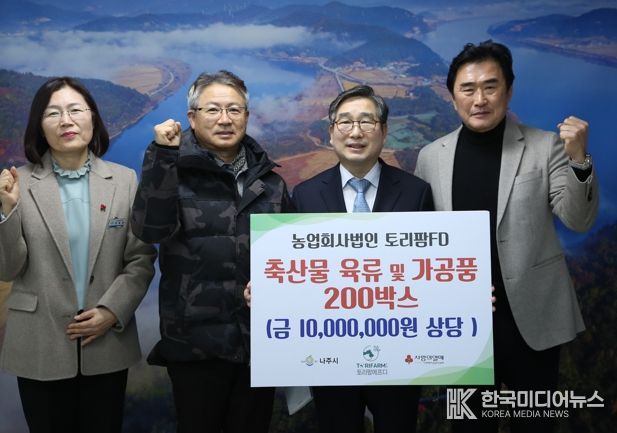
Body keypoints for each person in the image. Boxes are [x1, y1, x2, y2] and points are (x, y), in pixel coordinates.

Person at [414, 40, 599, 433]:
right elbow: (423, 244)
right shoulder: (431, 157)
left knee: (534, 425)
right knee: (470, 428)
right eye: (468, 89)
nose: (479, 99)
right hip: (462, 325)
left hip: (532, 320)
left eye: (490, 86)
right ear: (453, 97)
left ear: (509, 91)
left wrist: (579, 159)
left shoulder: (545, 146)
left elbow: (579, 220)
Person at [131, 70, 292, 433]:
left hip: (258, 346)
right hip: (194, 347)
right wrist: (162, 155)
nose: (224, 119)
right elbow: (149, 230)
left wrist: (274, 287)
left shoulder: (271, 183)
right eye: (213, 109)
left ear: (246, 116)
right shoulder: (172, 169)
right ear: (192, 117)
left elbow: (290, 259)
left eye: (234, 110)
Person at [0, 77, 157, 433]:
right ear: (39, 126)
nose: (66, 121)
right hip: (39, 342)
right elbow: (7, 269)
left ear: (93, 118)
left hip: (106, 341)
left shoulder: (124, 181)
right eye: (53, 113)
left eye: (75, 110)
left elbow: (140, 258)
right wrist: (7, 211)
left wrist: (111, 311)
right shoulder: (16, 183)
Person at [291, 85, 433, 433]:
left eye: (367, 122)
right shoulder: (305, 196)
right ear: (331, 132)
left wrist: (465, 293)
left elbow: (430, 271)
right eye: (345, 122)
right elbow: (297, 273)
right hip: (329, 354)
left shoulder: (415, 192)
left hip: (399, 353)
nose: (355, 132)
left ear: (383, 131)